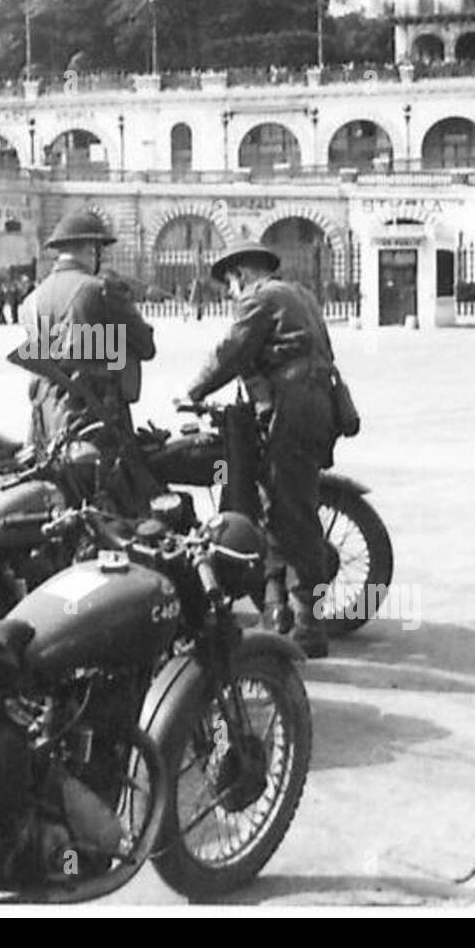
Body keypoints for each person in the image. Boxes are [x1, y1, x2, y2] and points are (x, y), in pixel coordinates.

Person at [185, 239, 341, 659]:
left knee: (294, 510)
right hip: (314, 402)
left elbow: (231, 352)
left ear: (241, 275)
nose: (231, 294)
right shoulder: (300, 296)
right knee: (277, 500)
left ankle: (309, 624)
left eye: (230, 285)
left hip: (294, 405)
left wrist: (194, 391)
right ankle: (276, 610)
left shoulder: (259, 298)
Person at [19, 209, 156, 455]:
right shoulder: (100, 289)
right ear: (91, 250)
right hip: (97, 419)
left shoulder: (31, 301)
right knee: (130, 489)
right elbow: (146, 345)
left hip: (46, 418)